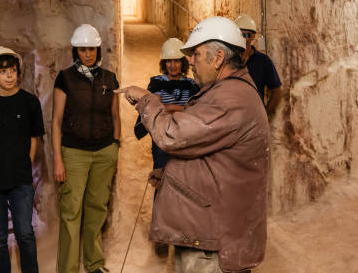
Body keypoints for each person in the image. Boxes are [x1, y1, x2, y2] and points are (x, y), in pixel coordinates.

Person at [117, 16, 270, 273]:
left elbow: (172, 135)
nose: (190, 61)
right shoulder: (227, 90)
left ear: (218, 57)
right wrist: (171, 174)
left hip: (214, 246)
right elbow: (210, 152)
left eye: (196, 54)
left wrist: (147, 100)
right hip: (211, 233)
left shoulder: (230, 98)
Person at [52, 24, 120, 273]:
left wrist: (116, 146)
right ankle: (68, 269)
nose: (88, 54)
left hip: (105, 152)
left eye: (91, 48)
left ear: (98, 49)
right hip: (74, 153)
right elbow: (56, 121)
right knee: (71, 211)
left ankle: (94, 264)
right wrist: (58, 159)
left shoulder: (109, 78)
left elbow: (115, 114)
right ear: (76, 51)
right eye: (82, 49)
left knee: (97, 208)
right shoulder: (65, 78)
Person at [0, 47, 44, 273]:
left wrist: (25, 164)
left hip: (20, 179)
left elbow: (34, 138)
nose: (9, 76)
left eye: (12, 70)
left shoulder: (29, 102)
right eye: (3, 71)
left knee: (25, 234)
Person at [133, 38, 199, 256]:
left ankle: (181, 235)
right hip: (162, 141)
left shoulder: (191, 83)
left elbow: (195, 109)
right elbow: (156, 107)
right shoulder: (156, 82)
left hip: (185, 141)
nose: (173, 65)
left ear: (183, 62)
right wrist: (180, 108)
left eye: (177, 61)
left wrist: (170, 108)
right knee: (161, 185)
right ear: (164, 63)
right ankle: (161, 235)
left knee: (184, 185)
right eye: (169, 61)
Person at [234, 14, 282, 114]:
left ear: (253, 36)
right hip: (232, 117)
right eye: (239, 34)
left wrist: (265, 114)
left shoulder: (263, 61)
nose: (243, 38)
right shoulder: (228, 59)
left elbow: (277, 92)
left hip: (254, 118)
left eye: (246, 35)